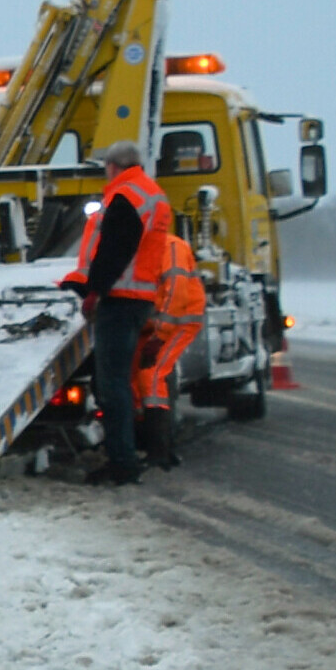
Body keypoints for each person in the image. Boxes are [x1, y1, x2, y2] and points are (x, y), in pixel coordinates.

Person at [64, 139, 174, 484]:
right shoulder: (152, 193)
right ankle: (127, 454)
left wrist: (94, 290)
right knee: (118, 382)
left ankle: (122, 462)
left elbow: (115, 249)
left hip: (120, 298)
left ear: (112, 166)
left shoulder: (126, 196)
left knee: (112, 385)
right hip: (140, 297)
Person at [132, 232, 208, 471]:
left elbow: (177, 295)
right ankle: (146, 441)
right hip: (153, 323)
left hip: (179, 321)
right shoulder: (140, 248)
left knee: (152, 374)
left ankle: (159, 449)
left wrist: (159, 337)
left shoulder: (171, 247)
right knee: (134, 378)